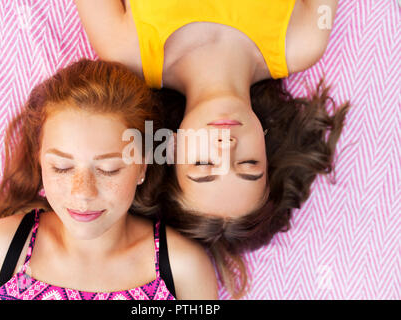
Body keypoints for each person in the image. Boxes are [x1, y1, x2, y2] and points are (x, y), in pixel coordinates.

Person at [75, 0, 351, 297]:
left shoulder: (122, 48)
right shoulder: (304, 38)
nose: (225, 146)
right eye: (248, 164)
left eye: (204, 165)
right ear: (266, 144)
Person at [0, 59, 218, 300]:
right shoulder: (0, 251)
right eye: (61, 167)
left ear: (142, 167)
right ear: (39, 161)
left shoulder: (183, 270)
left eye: (108, 169)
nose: (82, 193)